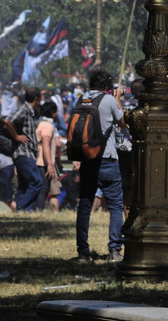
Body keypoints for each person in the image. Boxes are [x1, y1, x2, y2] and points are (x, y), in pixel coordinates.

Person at [74, 70, 127, 263]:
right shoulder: (109, 100)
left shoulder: (81, 100)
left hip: (88, 158)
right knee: (115, 206)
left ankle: (83, 251)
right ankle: (114, 250)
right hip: (108, 159)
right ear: (107, 86)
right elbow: (123, 122)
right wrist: (118, 98)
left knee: (85, 206)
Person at [3, 86, 44, 212]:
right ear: (36, 99)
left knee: (24, 185)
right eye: (40, 98)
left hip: (26, 153)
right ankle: (23, 208)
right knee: (37, 182)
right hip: (24, 152)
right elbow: (8, 121)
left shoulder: (29, 111)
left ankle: (21, 212)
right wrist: (16, 136)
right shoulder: (25, 109)